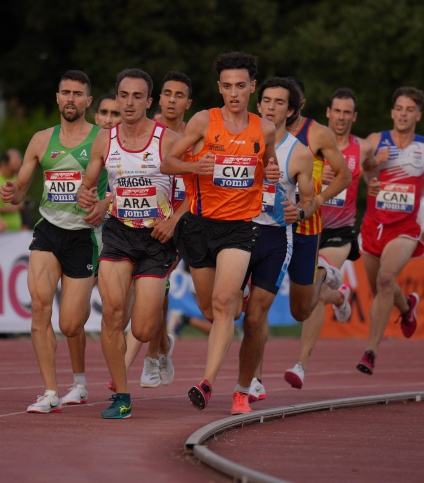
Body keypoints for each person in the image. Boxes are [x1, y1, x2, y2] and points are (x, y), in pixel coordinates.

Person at [161, 51, 280, 412]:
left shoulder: (265, 128)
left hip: (239, 229)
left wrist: (270, 176)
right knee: (210, 308)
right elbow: (168, 161)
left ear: (252, 87)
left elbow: (268, 165)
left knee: (224, 304)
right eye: (227, 86)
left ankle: (208, 381)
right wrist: (196, 167)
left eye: (240, 86)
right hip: (199, 227)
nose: (233, 93)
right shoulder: (202, 121)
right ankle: (228, 310)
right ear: (219, 88)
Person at [0, 70, 110, 413]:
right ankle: (50, 392)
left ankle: (79, 382)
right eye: (66, 92)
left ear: (88, 101)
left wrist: (106, 204)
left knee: (70, 324)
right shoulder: (41, 140)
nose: (71, 99)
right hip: (48, 230)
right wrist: (11, 192)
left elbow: (126, 181)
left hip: (84, 235)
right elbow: (20, 191)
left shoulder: (104, 139)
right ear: (57, 97)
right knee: (39, 306)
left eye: (78, 93)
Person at [77, 68, 180, 419]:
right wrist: (89, 198)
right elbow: (89, 184)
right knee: (112, 313)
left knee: (142, 328)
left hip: (156, 238)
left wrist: (173, 220)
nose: (130, 102)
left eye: (138, 96)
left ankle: (160, 345)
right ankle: (122, 396)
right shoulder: (105, 140)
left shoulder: (167, 139)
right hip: (119, 233)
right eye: (124, 95)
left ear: (149, 102)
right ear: (117, 98)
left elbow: (194, 191)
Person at [230, 77, 315, 414]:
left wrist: (301, 210)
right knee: (228, 310)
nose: (270, 106)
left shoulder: (300, 153)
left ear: (290, 110)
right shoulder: (240, 139)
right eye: (265, 100)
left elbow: (308, 200)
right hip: (237, 233)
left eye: (279, 102)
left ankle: (242, 388)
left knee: (253, 320)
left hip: (275, 238)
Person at [284, 87, 375, 389]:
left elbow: (376, 170)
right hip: (307, 226)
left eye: (347, 112)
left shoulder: (364, 148)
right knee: (314, 294)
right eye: (337, 111)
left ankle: (301, 365)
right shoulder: (312, 138)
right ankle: (339, 295)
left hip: (339, 231)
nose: (341, 117)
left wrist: (374, 184)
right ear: (328, 112)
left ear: (354, 117)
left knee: (316, 278)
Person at [355, 86, 424, 376]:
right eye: (399, 108)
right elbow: (360, 165)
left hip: (404, 228)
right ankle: (407, 306)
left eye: (409, 110)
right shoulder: (375, 140)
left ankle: (370, 351)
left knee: (386, 279)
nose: (403, 114)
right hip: (374, 225)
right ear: (392, 111)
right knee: (379, 288)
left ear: (417, 115)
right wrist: (374, 165)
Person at [0, 149, 25, 230]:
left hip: (16, 230)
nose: (14, 174)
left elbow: (21, 203)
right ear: (3, 164)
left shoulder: (18, 179)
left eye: (17, 170)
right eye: (12, 170)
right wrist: (4, 209)